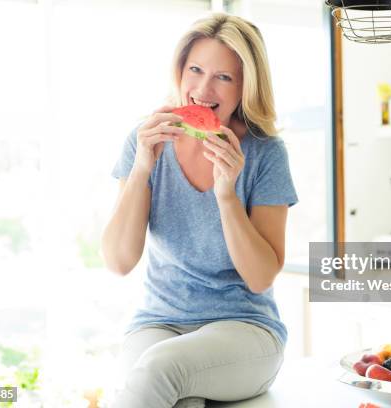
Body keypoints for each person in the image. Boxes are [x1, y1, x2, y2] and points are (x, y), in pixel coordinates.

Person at [101, 12, 298, 408]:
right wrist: (142, 168)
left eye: (223, 77)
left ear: (246, 86)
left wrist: (227, 194)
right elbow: (119, 261)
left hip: (245, 328)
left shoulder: (264, 154)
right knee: (178, 395)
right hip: (158, 324)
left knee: (161, 368)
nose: (203, 90)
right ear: (180, 69)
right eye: (195, 69)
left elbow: (260, 277)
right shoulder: (145, 139)